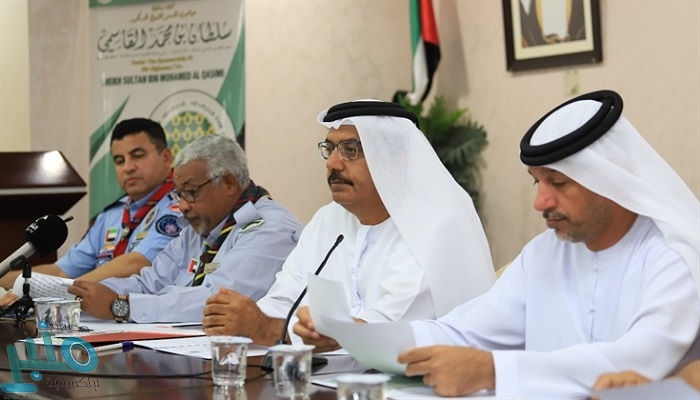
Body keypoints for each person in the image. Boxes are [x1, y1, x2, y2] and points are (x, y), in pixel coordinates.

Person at [397, 90, 700, 398]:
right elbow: (466, 331)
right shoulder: (545, 252)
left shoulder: (673, 256)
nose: (540, 202)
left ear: (609, 179)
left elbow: (637, 364)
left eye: (558, 182)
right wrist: (375, 340)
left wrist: (493, 371)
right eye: (536, 181)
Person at [202, 100, 496, 347]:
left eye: (351, 150)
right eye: (330, 149)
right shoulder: (328, 219)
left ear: (393, 159)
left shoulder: (433, 226)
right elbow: (283, 299)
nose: (332, 163)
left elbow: (384, 330)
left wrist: (266, 329)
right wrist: (238, 317)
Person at [68, 134, 302, 323]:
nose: (182, 206)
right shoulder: (198, 229)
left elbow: (216, 302)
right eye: (178, 194)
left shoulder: (269, 229)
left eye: (191, 192)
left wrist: (120, 306)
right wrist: (83, 294)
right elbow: (148, 283)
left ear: (229, 184)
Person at [0, 118, 179, 297]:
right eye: (119, 160)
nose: (128, 167)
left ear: (166, 158)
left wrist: (64, 291)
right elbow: (61, 272)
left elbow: (136, 264)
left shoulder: (179, 209)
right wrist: (3, 278)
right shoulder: (111, 215)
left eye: (138, 156)